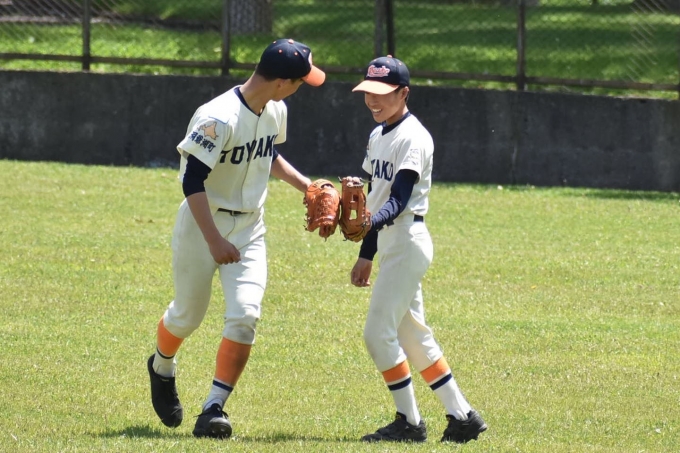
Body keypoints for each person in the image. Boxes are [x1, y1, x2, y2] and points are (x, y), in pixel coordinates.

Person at [146, 38, 326, 439]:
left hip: (250, 228)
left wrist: (307, 186)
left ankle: (213, 407)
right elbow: (192, 181)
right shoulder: (217, 117)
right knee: (187, 316)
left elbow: (266, 154)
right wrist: (213, 240)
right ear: (281, 82)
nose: (301, 87)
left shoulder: (275, 109)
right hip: (202, 224)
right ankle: (161, 366)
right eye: (300, 81)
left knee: (245, 316)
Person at [349, 56, 487, 444]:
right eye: (368, 92)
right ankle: (463, 417)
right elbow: (374, 198)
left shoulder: (414, 137)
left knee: (378, 334)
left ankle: (409, 423)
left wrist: (370, 224)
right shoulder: (378, 135)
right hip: (391, 241)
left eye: (382, 92)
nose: (373, 100)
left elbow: (398, 199)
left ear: (403, 93)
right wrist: (366, 253)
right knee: (413, 337)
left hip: (408, 239)